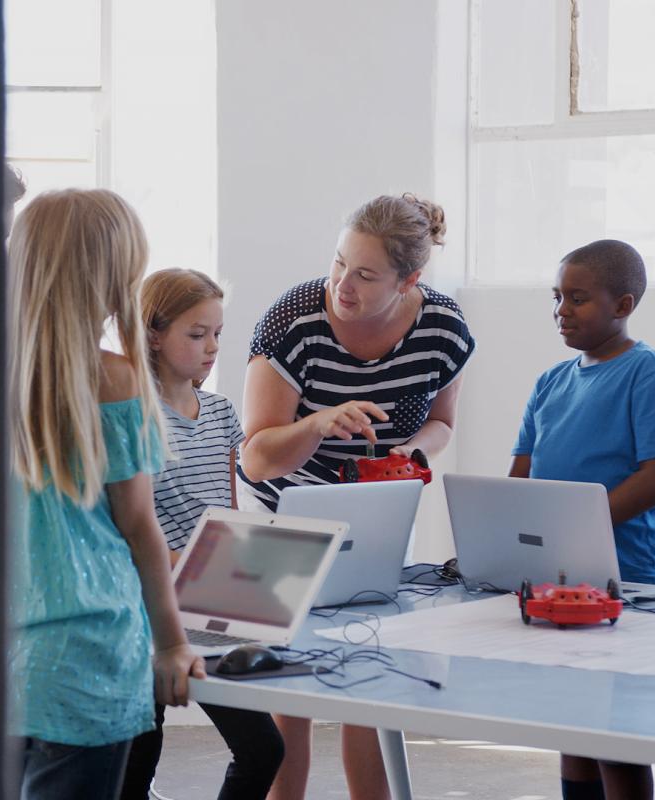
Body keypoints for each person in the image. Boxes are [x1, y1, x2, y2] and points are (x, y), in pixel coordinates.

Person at [238, 193, 476, 800]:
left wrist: (410, 456)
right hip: (283, 505)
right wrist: (318, 424)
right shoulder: (293, 320)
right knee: (288, 682)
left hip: (375, 511)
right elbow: (256, 456)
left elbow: (442, 424)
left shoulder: (443, 326)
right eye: (339, 262)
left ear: (409, 280)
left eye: (366, 275)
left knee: (368, 673)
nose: (342, 284)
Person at [6, 190, 205, 800]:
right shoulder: (116, 379)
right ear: (114, 276)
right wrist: (173, 644)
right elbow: (140, 527)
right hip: (91, 651)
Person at [509, 239, 655, 800]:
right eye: (557, 296)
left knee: (618, 735)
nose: (561, 309)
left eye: (578, 298)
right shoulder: (550, 381)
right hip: (560, 580)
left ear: (623, 304)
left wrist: (575, 530)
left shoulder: (650, 371)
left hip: (627, 579)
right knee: (574, 726)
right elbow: (520, 477)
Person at [120, 268, 285, 800]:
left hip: (209, 603)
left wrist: (242, 571)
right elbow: (130, 526)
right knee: (138, 760)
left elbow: (228, 511)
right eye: (197, 334)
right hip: (150, 606)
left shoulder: (219, 411)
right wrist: (195, 569)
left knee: (263, 750)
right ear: (153, 334)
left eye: (217, 333)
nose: (212, 347)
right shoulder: (132, 414)